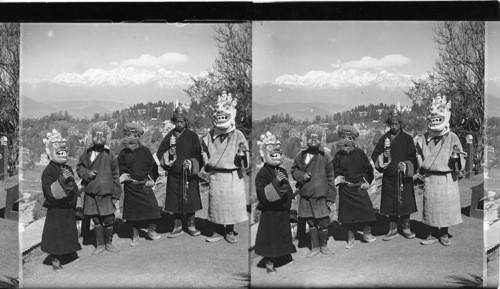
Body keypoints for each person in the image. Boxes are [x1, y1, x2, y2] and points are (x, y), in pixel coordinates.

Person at [416, 94, 466, 246]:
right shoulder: (423, 138)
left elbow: (460, 160)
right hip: (431, 178)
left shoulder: (452, 137)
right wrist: (421, 170)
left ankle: (444, 233)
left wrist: (456, 158)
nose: (434, 115)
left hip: (447, 178)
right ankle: (431, 232)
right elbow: (418, 155)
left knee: (446, 208)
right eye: (431, 112)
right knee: (431, 207)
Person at [201, 91, 250, 244]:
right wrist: (207, 165)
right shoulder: (208, 135)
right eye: (217, 110)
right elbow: (203, 151)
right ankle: (216, 230)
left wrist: (243, 156)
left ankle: (229, 231)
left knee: (231, 205)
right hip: (216, 175)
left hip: (232, 175)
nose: (220, 113)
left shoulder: (238, 135)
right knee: (216, 204)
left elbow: (246, 155)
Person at [157, 104, 202, 238]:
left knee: (190, 200)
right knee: (175, 201)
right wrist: (169, 154)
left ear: (186, 122)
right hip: (174, 175)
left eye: (182, 121)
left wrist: (192, 162)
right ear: (174, 121)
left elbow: (199, 155)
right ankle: (177, 226)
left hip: (189, 175)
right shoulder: (169, 136)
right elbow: (160, 153)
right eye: (177, 121)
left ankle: (191, 224)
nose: (179, 124)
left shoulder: (193, 136)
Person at [371, 109, 418, 240]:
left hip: (404, 177)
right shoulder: (384, 138)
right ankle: (392, 229)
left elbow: (413, 157)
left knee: (405, 202)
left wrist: (405, 165)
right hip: (389, 177)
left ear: (401, 124)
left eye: (397, 124)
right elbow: (375, 155)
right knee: (390, 203)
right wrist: (383, 157)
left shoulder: (408, 139)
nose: (394, 126)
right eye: (391, 124)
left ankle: (406, 227)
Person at [291, 124, 336, 258]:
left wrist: (331, 197)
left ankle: (324, 245)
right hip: (306, 196)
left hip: (321, 196)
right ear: (307, 139)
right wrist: (301, 176)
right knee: (310, 222)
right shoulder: (301, 156)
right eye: (311, 137)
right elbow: (293, 170)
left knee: (323, 222)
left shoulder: (325, 157)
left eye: (317, 138)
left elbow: (331, 178)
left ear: (321, 140)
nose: (314, 140)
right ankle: (315, 247)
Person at [77, 122, 122, 254]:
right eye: (96, 135)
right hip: (91, 193)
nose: (98, 137)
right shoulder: (86, 153)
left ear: (106, 137)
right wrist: (87, 173)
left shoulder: (110, 155)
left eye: (102, 135)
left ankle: (109, 243)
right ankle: (100, 244)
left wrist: (116, 194)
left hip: (106, 194)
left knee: (108, 220)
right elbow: (79, 168)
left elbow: (116, 175)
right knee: (96, 220)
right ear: (92, 136)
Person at [40, 129, 81, 271]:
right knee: (56, 235)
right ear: (50, 151)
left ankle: (69, 253)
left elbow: (73, 186)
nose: (61, 148)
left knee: (69, 232)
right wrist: (62, 179)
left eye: (63, 145)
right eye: (56, 145)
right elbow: (50, 192)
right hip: (56, 209)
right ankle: (55, 260)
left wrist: (77, 202)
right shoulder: (48, 171)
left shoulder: (68, 167)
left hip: (68, 207)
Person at [254, 131, 295, 274]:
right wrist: (276, 181)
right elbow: (263, 194)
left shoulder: (282, 169)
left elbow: (288, 188)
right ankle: (269, 263)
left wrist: (291, 205)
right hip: (270, 212)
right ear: (264, 153)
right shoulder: (262, 173)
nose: (276, 153)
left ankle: (283, 257)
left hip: (282, 210)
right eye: (271, 150)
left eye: (278, 150)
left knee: (282, 236)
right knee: (270, 239)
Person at [332, 125, 376, 248]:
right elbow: (335, 170)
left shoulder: (360, 154)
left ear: (354, 140)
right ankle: (350, 237)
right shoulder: (338, 156)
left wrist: (366, 182)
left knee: (368, 210)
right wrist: (338, 177)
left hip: (359, 188)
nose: (346, 141)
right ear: (340, 140)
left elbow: (369, 170)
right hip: (345, 189)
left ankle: (367, 233)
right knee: (347, 216)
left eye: (349, 138)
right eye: (344, 138)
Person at [117, 123, 162, 246]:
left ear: (138, 137)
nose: (131, 138)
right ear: (125, 137)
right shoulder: (122, 154)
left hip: (144, 185)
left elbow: (153, 167)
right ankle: (135, 234)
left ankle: (151, 231)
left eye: (135, 136)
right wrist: (123, 175)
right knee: (133, 213)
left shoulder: (145, 151)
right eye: (129, 135)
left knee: (153, 208)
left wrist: (151, 179)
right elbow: (121, 168)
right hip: (131, 186)